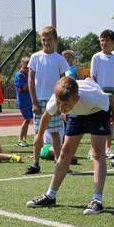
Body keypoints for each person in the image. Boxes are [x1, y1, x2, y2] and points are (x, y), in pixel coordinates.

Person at [27, 77, 114, 214]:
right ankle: (50, 196)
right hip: (77, 114)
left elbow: (110, 98)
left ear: (76, 99)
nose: (61, 108)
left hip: (97, 112)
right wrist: (39, 136)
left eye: (65, 105)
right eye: (59, 103)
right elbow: (46, 116)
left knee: (97, 153)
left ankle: (97, 200)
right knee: (65, 152)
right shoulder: (59, 98)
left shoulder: (92, 97)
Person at [26, 26, 70, 175]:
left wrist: (61, 102)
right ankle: (36, 163)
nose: (46, 42)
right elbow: (30, 80)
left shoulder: (60, 59)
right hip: (39, 101)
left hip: (54, 101)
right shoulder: (35, 57)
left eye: (49, 39)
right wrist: (34, 102)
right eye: (44, 39)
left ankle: (59, 163)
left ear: (55, 40)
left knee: (55, 133)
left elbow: (63, 82)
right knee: (38, 132)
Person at [90, 29, 114, 158]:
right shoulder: (96, 57)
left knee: (110, 122)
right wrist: (97, 92)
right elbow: (93, 76)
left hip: (113, 94)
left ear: (112, 42)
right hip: (100, 93)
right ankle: (92, 150)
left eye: (107, 40)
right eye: (102, 40)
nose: (104, 43)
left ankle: (108, 148)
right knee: (96, 122)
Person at [14, 56, 33, 147]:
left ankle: (24, 139)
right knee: (26, 119)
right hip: (23, 101)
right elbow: (22, 88)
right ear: (22, 65)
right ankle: (20, 139)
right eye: (26, 67)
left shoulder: (28, 74)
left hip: (29, 101)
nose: (27, 69)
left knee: (28, 120)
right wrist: (32, 85)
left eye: (29, 68)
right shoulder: (19, 75)